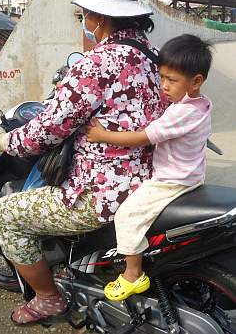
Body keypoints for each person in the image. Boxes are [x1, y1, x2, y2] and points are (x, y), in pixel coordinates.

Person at [0, 0, 166, 326]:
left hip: (103, 192)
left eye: (85, 14)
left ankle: (49, 299)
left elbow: (47, 130)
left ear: (98, 15)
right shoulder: (153, 57)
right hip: (152, 179)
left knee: (7, 214)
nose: (85, 19)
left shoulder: (98, 63)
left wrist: (4, 139)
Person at [86, 34, 213, 301]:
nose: (164, 86)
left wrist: (103, 136)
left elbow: (143, 137)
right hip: (190, 173)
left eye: (172, 80)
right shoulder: (198, 104)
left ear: (196, 81)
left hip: (172, 179)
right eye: (162, 77)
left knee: (127, 216)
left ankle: (134, 275)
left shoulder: (182, 113)